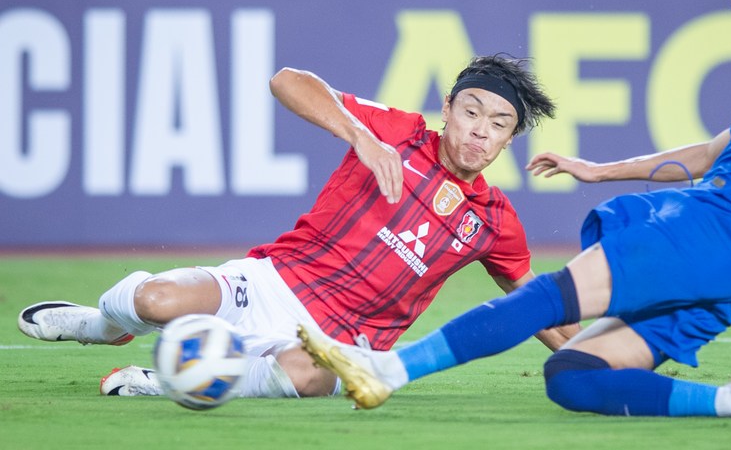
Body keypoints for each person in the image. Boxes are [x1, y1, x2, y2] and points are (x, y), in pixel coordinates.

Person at [297, 0, 731, 419]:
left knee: (547, 296)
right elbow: (706, 154)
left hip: (712, 229)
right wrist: (597, 171)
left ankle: (387, 370)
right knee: (574, 377)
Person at [18, 54, 577, 399]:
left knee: (308, 378)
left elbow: (532, 302)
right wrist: (361, 136)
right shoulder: (398, 133)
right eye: (472, 112)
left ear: (509, 140)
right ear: (448, 107)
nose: (480, 131)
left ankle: (166, 380)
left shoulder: (496, 222)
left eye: (499, 124)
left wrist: (592, 357)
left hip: (341, 343)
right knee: (156, 298)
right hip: (271, 282)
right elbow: (288, 80)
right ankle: (105, 324)